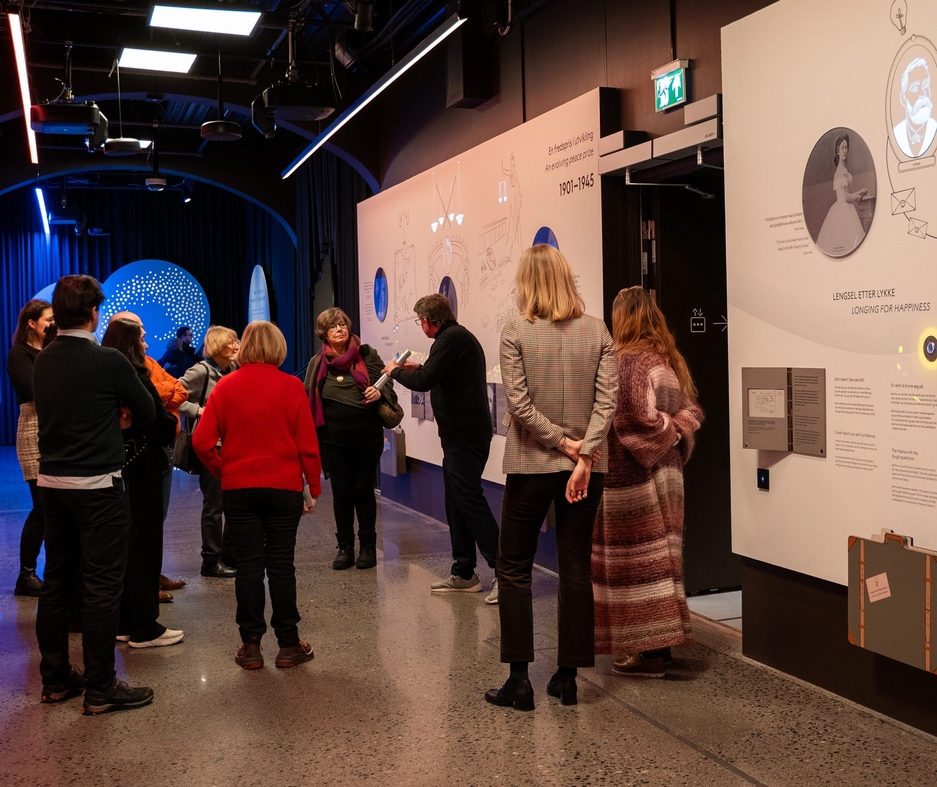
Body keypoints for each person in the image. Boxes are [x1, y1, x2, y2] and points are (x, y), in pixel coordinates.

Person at [484, 245, 617, 711]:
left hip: (531, 466)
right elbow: (607, 403)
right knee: (576, 566)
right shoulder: (598, 330)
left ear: (527, 283)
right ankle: (567, 678)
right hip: (587, 468)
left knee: (515, 566)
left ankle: (519, 681)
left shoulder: (516, 331)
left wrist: (562, 445)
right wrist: (584, 455)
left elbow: (518, 406)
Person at [33, 274, 156, 714]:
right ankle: (102, 686)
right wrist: (118, 418)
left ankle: (55, 678)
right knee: (103, 586)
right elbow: (148, 410)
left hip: (52, 485)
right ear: (92, 313)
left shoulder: (43, 360)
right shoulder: (108, 360)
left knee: (57, 583)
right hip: (99, 486)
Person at [193, 320, 322, 670]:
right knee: (282, 565)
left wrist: (224, 470)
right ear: (279, 348)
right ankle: (289, 645)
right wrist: (312, 485)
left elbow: (201, 442)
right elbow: (308, 445)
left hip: (239, 490)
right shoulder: (292, 386)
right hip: (284, 489)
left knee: (248, 566)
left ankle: (250, 647)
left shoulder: (226, 386)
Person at [593, 286, 703, 679]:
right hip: (669, 471)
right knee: (663, 559)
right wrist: (675, 433)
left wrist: (664, 432)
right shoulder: (667, 360)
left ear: (621, 318)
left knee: (639, 566)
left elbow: (632, 419)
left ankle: (650, 653)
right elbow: (690, 411)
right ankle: (661, 647)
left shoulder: (627, 362)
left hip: (633, 477)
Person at [383, 294, 501, 601]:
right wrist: (418, 366)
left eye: (419, 321)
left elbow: (424, 381)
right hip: (460, 437)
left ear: (426, 321)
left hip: (466, 438)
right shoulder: (454, 338)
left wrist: (395, 370)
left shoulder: (450, 340)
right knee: (457, 503)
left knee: (470, 503)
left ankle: (506, 573)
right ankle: (464, 572)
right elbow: (437, 372)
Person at [101, 318, 182, 649]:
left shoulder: (101, 372)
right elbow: (161, 426)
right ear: (131, 342)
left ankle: (124, 622)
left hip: (117, 469)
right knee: (145, 546)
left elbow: (177, 390)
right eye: (143, 338)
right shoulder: (135, 373)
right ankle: (144, 627)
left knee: (125, 546)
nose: (148, 344)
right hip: (144, 468)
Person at [305, 307, 397, 571]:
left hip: (367, 438)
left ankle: (368, 546)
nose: (339, 329)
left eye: (342, 324)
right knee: (342, 493)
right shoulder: (318, 363)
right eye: (333, 326)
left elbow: (387, 383)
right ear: (323, 332)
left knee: (363, 491)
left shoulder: (367, 354)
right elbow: (308, 398)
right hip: (333, 441)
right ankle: (345, 547)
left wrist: (379, 394)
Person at [178, 326, 240, 578]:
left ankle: (229, 555)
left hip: (234, 446)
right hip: (211, 448)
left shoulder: (234, 370)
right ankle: (211, 561)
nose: (237, 345)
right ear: (217, 347)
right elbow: (174, 396)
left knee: (234, 503)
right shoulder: (200, 371)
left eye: (237, 341)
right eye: (231, 342)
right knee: (214, 506)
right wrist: (200, 411)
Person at [7, 299, 54, 596]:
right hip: (34, 429)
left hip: (56, 430)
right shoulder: (19, 354)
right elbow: (34, 390)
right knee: (42, 506)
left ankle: (56, 570)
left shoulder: (51, 350)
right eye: (48, 319)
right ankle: (26, 574)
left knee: (53, 507)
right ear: (31, 323)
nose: (52, 324)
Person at [815, 134, 868, 257]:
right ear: (837, 151)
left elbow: (846, 194)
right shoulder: (840, 171)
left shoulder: (843, 168)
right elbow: (846, 198)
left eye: (846, 148)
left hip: (845, 206)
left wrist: (859, 192)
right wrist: (857, 197)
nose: (845, 150)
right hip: (843, 210)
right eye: (842, 148)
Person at [893, 57, 937, 158]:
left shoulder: (934, 127)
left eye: (926, 85)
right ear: (903, 98)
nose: (923, 93)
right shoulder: (897, 133)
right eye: (915, 88)